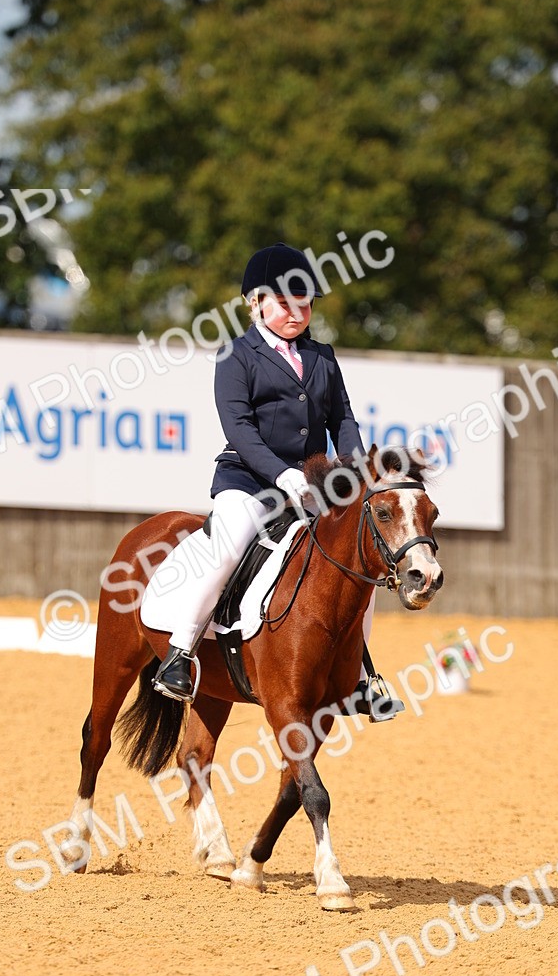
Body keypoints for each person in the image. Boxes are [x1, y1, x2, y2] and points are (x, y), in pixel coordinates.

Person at [152, 241, 402, 717]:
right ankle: (180, 653)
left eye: (304, 305)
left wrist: (355, 471)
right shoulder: (236, 356)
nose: (297, 313)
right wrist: (280, 472)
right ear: (256, 303)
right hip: (248, 480)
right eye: (285, 304)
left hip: (312, 486)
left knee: (360, 563)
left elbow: (342, 420)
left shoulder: (323, 357)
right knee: (229, 546)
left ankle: (358, 676)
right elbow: (239, 428)